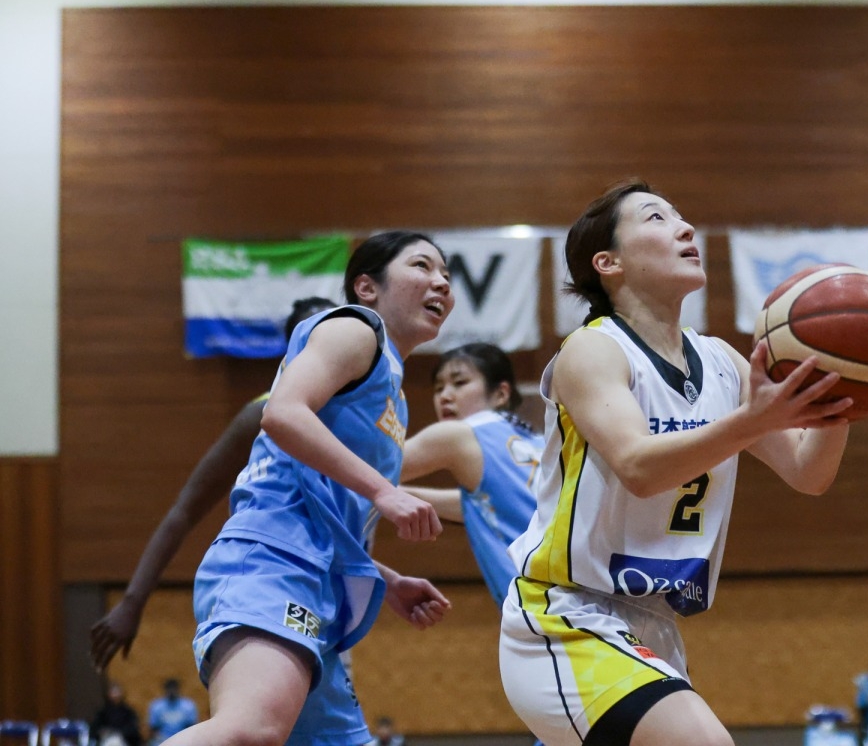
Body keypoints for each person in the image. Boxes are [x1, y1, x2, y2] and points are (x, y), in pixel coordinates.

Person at [498, 180, 853, 746]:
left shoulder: (721, 362)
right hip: (567, 616)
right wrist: (754, 420)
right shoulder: (593, 349)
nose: (685, 228)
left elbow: (809, 474)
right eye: (656, 218)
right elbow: (639, 467)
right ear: (608, 262)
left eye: (681, 217)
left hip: (656, 626)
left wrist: (842, 396)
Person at [161, 230, 456, 746]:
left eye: (447, 275)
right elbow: (282, 414)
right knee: (250, 730)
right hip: (272, 563)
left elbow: (322, 502)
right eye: (422, 266)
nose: (441, 283)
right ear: (367, 286)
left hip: (320, 583)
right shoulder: (356, 329)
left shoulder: (393, 395)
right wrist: (385, 492)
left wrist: (384, 579)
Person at [89, 296, 338, 673]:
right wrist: (132, 601)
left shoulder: (364, 414)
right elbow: (185, 509)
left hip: (327, 594)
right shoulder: (264, 413)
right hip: (268, 584)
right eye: (318, 336)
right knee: (261, 706)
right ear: (295, 352)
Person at [400, 342, 544, 607]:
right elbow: (497, 506)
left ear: (500, 394)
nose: (445, 396)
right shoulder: (536, 441)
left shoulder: (459, 433)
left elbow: (366, 471)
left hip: (541, 603)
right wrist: (396, 496)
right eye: (439, 388)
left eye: (459, 383)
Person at [90, 682, 143, 746]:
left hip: (124, 740)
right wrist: (102, 732)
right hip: (106, 740)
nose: (115, 695)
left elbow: (133, 728)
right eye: (113, 692)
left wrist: (119, 733)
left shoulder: (128, 712)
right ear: (108, 694)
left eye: (117, 692)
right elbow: (95, 728)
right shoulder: (102, 712)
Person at [147, 678, 198, 744]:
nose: (171, 691)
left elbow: (192, 727)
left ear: (178, 689)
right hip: (162, 740)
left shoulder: (188, 706)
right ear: (165, 690)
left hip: (183, 740)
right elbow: (153, 728)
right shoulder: (157, 706)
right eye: (169, 689)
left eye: (173, 689)